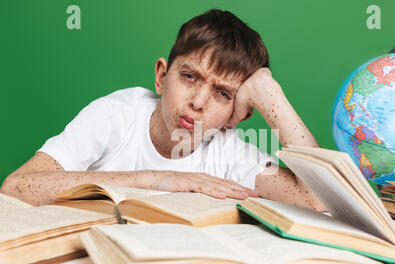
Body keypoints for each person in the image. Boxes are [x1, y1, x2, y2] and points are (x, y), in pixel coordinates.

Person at [0, 9, 326, 211]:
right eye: (189, 77)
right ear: (161, 76)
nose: (198, 102)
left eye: (222, 94)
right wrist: (154, 179)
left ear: (236, 117)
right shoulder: (115, 117)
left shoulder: (227, 151)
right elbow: (16, 187)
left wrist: (271, 95)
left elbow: (318, 197)